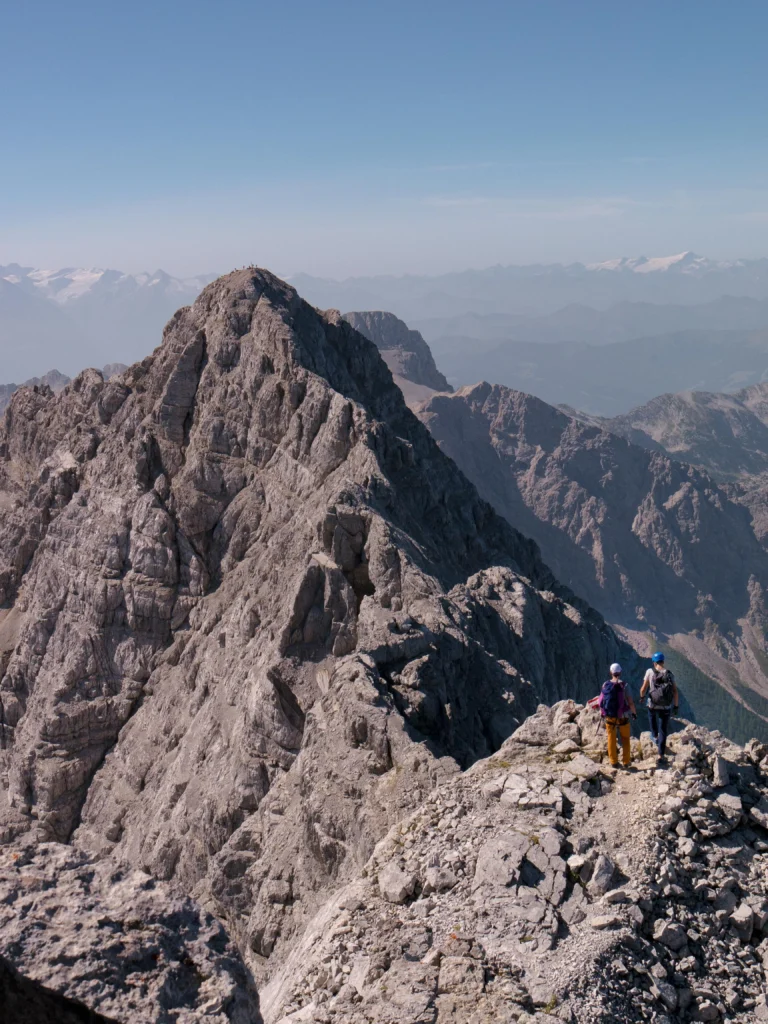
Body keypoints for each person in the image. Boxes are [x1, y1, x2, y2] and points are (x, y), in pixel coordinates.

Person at [639, 652, 679, 763]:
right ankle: (661, 756)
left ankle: (654, 736)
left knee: (652, 718)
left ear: (654, 662)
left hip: (653, 704)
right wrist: (675, 706)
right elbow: (675, 692)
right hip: (666, 706)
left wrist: (642, 697)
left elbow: (643, 689)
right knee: (663, 730)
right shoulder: (670, 674)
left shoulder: (649, 672)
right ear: (663, 661)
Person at [599, 662, 637, 769]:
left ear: (611, 672)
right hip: (623, 716)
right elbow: (630, 702)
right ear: (620, 672)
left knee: (611, 738)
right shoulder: (625, 685)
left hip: (610, 715)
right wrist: (634, 713)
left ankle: (613, 762)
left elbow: (600, 701)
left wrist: (603, 712)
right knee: (625, 738)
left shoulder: (605, 684)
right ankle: (626, 762)